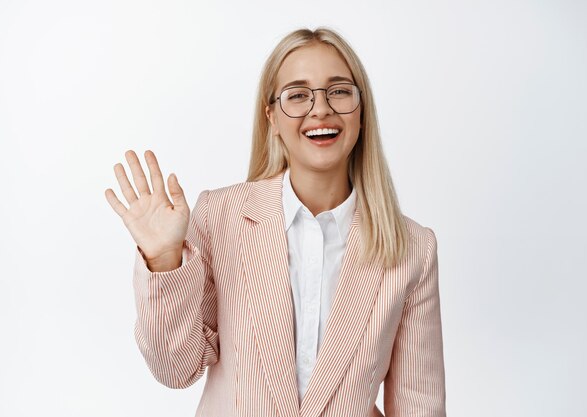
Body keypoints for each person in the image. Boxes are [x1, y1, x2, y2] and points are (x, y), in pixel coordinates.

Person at [105, 27, 446, 417]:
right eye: (298, 95)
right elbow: (175, 369)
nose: (321, 109)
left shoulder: (413, 248)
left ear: (361, 111)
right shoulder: (220, 216)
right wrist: (164, 259)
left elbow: (420, 404)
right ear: (272, 118)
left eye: (338, 91)